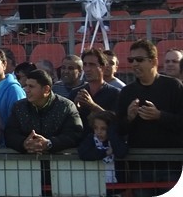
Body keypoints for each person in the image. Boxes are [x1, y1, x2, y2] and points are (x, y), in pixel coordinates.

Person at [117, 39, 183, 196]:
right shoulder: (127, 92)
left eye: (139, 59)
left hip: (171, 163)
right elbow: (119, 128)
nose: (134, 64)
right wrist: (129, 118)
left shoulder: (174, 86)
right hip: (141, 165)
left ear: (153, 61)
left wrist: (160, 116)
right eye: (131, 60)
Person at [5, 69, 83, 153]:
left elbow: (74, 135)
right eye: (26, 85)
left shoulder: (66, 107)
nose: (26, 90)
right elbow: (10, 134)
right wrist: (24, 143)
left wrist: (49, 143)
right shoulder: (19, 107)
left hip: (59, 159)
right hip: (26, 160)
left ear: (46, 89)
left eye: (31, 86)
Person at [78, 110, 129, 186]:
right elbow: (83, 153)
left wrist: (112, 134)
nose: (99, 132)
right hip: (95, 184)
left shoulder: (116, 139)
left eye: (103, 128)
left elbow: (121, 152)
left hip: (117, 186)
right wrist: (105, 152)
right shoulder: (91, 139)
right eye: (96, 128)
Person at [70, 49, 120, 127]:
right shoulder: (75, 93)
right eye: (85, 64)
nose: (87, 69)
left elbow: (117, 122)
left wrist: (92, 106)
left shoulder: (115, 94)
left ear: (103, 67)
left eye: (92, 65)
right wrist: (74, 107)